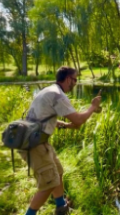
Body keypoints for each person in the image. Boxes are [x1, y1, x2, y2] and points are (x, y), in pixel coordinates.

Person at [20, 67, 102, 215]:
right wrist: (92, 107)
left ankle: (61, 207)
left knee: (58, 172)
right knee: (48, 183)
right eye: (75, 79)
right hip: (34, 144)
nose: (76, 83)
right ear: (67, 79)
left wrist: (65, 125)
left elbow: (42, 117)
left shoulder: (49, 90)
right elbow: (78, 119)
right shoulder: (58, 95)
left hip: (37, 139)